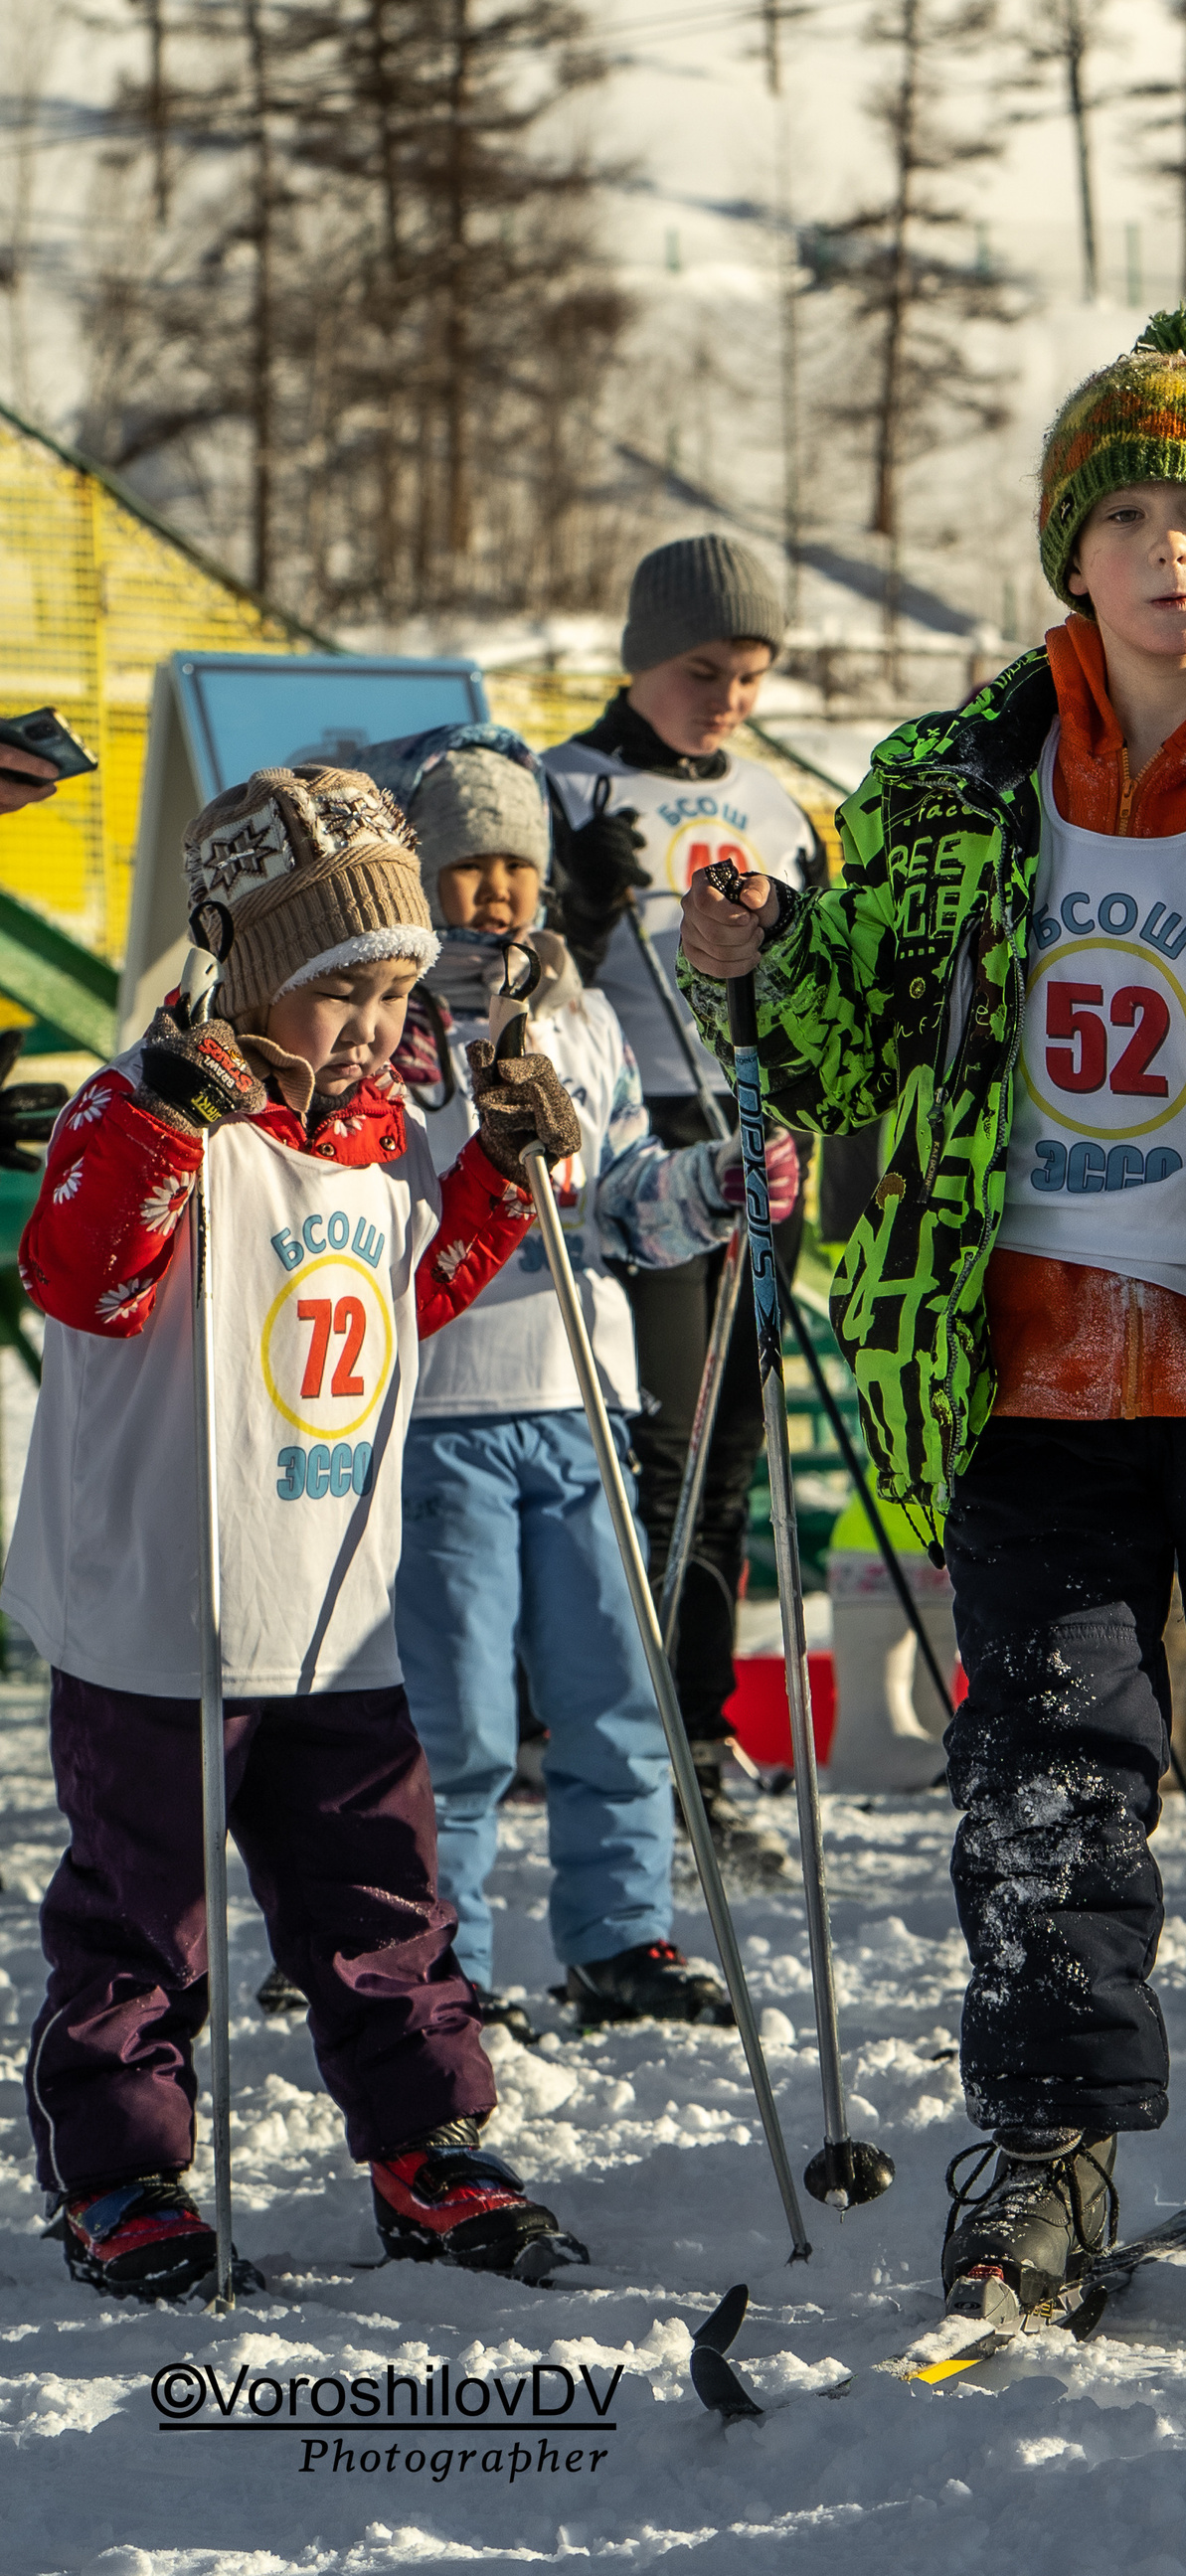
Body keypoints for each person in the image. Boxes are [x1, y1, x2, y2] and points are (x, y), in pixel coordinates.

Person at [676, 303, 1186, 2346]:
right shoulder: (954, 786)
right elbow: (841, 1042)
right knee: (1042, 1789)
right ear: (1072, 550)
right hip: (1024, 1369)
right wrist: (747, 968)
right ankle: (1045, 2149)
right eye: (1127, 515)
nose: (1170, 558)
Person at [7, 764, 588, 2297]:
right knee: (146, 1916)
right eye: (346, 990)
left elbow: (406, 1305)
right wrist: (162, 1128)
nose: (383, 1021)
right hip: (162, 1611)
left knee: (383, 1904)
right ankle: (124, 2171)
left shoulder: (381, 1140)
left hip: (333, 1601)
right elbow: (83, 1281)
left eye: (400, 990)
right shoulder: (141, 1108)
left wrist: (502, 1179)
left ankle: (424, 2144)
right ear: (255, 975)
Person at [353, 724, 800, 2030]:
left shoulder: (582, 1014)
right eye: (464, 865)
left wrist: (711, 1191)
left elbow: (612, 1207)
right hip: (446, 1408)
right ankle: (449, 1951)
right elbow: (380, 1206)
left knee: (614, 1689)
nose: (491, 891)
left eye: (513, 866)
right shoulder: (394, 1027)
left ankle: (620, 1933)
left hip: (581, 1403)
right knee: (465, 1717)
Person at [541, 535, 820, 1883]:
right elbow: (518, 985)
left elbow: (820, 986)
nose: (730, 697)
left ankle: (698, 1736)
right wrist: (579, 915)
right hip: (633, 1155)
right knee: (656, 1459)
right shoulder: (564, 784)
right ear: (642, 656)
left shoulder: (770, 799)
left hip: (750, 1151)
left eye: (754, 674)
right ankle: (618, 1736)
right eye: (705, 669)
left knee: (727, 1467)